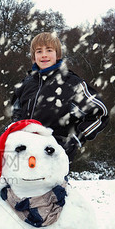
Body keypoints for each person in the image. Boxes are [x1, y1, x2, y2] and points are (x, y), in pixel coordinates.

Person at [11, 32, 109, 163]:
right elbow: (16, 114)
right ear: (34, 56)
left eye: (49, 50)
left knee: (54, 184)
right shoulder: (26, 84)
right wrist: (13, 134)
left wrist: (75, 139)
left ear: (57, 54)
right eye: (39, 51)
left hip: (55, 157)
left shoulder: (72, 83)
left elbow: (100, 114)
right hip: (25, 157)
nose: (44, 55)